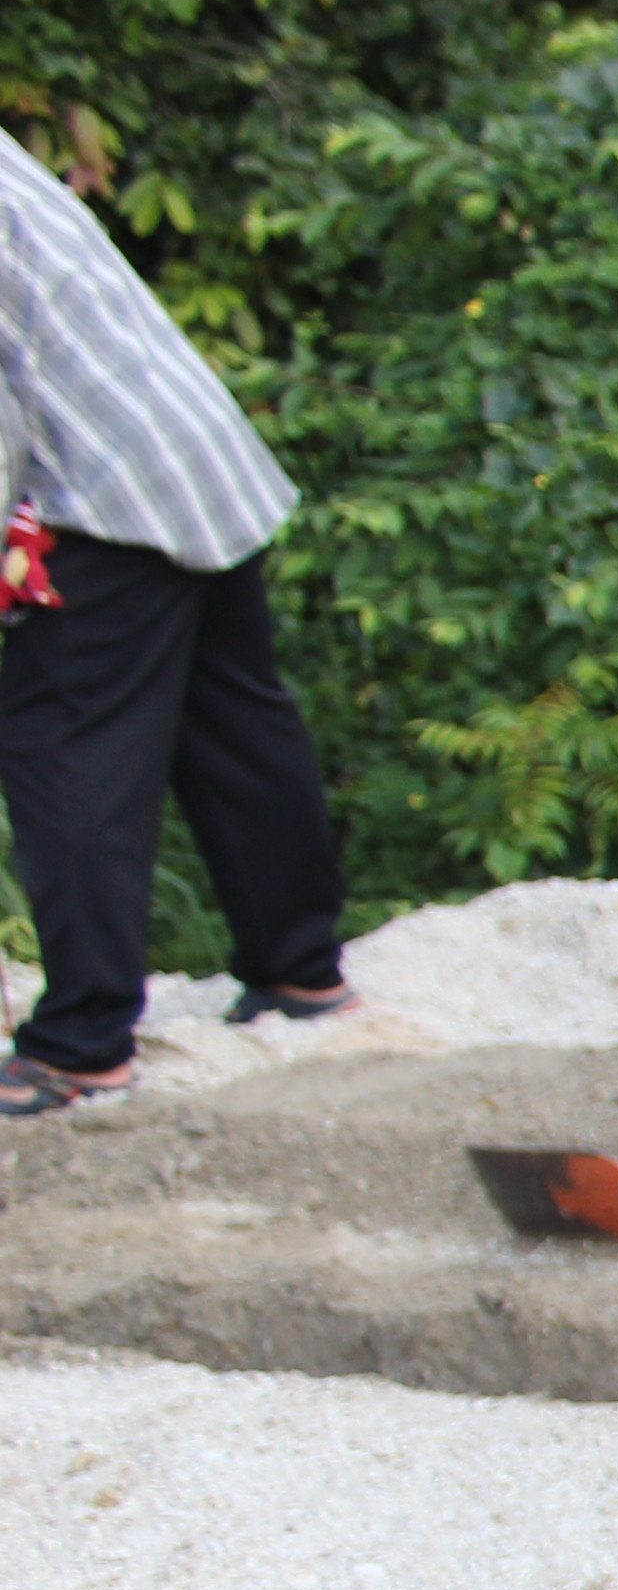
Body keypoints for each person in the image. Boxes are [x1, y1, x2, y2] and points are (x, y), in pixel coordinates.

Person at [0, 132, 354, 1116]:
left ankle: (80, 1043)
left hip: (99, 484)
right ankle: (300, 972)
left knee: (61, 742)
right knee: (230, 720)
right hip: (186, 445)